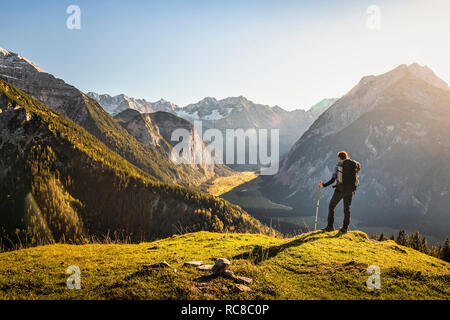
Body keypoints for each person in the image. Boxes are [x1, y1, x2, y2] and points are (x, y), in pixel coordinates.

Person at [318, 151, 360, 234]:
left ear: (339, 158)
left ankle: (330, 227)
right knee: (347, 209)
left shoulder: (338, 166)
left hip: (340, 190)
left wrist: (323, 185)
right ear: (346, 157)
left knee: (331, 206)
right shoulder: (353, 165)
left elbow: (333, 179)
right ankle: (344, 228)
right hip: (350, 190)